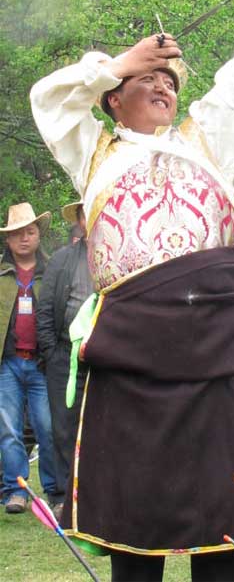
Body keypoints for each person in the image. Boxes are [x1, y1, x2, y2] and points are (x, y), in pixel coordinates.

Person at [30, 0, 234, 582]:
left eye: (170, 80)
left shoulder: (206, 142)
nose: (164, 85)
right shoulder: (94, 154)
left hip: (218, 355)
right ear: (113, 101)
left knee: (225, 528)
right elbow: (50, 102)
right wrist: (118, 63)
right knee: (133, 538)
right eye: (148, 80)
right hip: (135, 359)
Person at [0, 202, 58, 514]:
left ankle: (55, 492)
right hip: (7, 364)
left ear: (38, 235)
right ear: (8, 240)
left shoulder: (52, 272)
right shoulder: (1, 273)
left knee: (46, 427)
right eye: (18, 233)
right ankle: (15, 490)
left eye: (30, 231)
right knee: (7, 429)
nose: (25, 238)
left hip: (40, 364)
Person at [37, 201, 93, 520]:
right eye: (85, 213)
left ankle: (95, 497)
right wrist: (52, 353)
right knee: (63, 429)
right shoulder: (61, 259)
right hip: (63, 355)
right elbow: (45, 310)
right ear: (81, 220)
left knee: (101, 427)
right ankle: (63, 499)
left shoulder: (115, 257)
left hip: (104, 357)